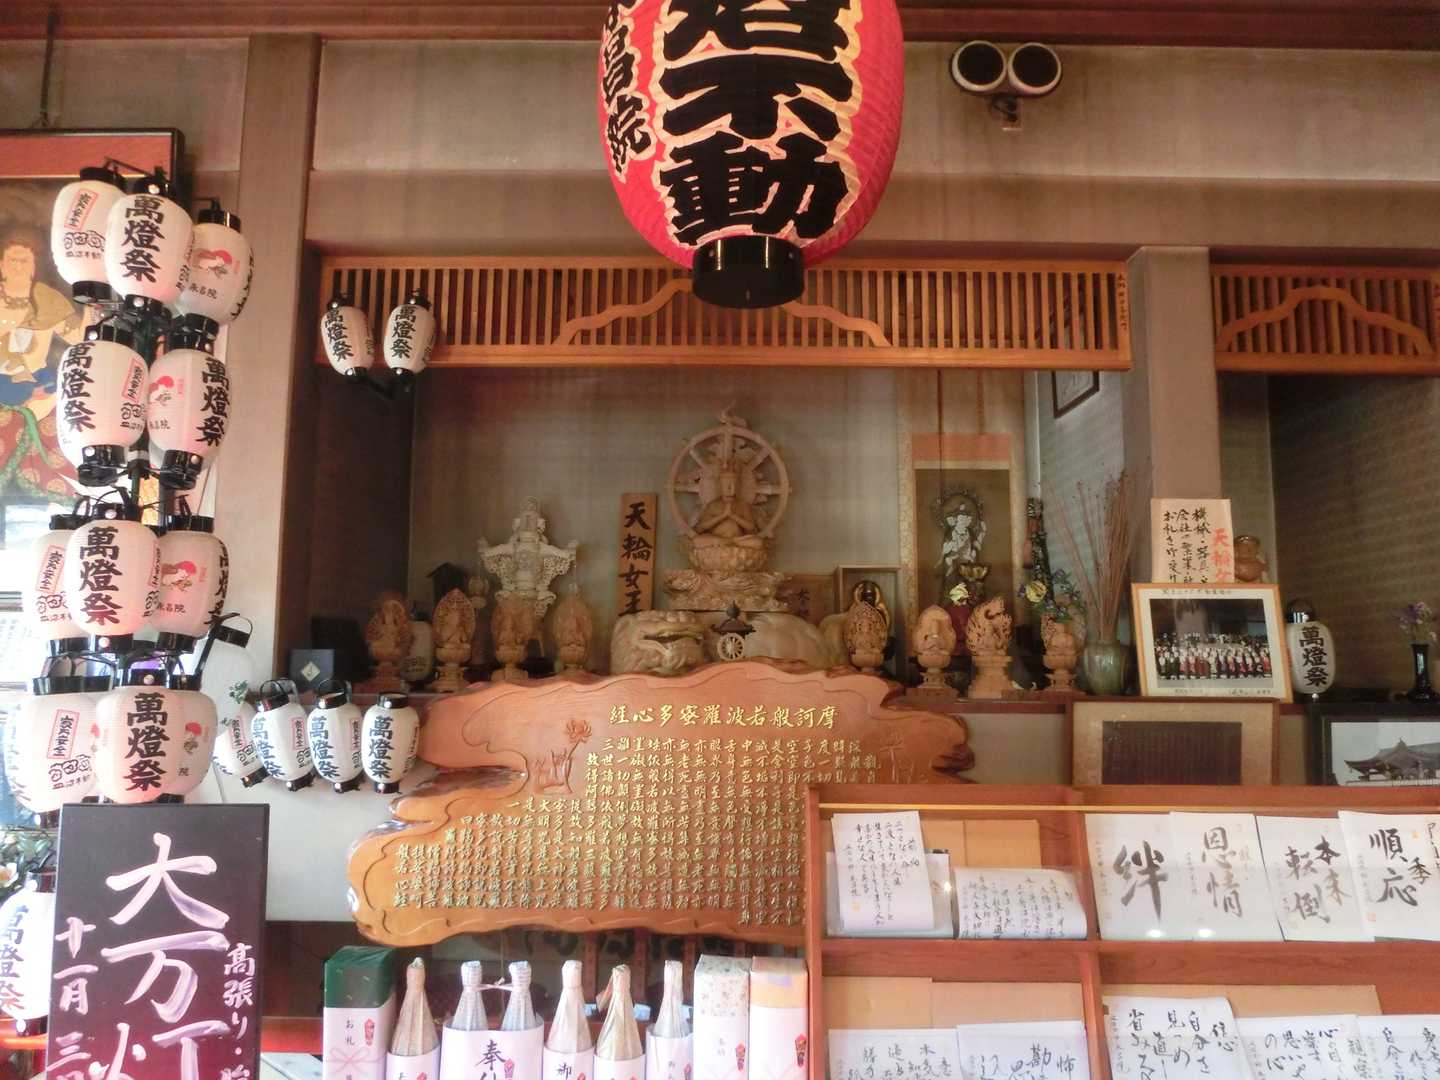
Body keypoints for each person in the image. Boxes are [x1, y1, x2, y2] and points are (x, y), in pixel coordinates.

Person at [0, 226, 84, 498]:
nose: (17, 266)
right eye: (12, 260)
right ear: (1, 264)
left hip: (39, 390)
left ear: (34, 266)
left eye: (24, 260)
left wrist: (94, 309)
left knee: (59, 441)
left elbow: (79, 338)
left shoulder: (47, 299)